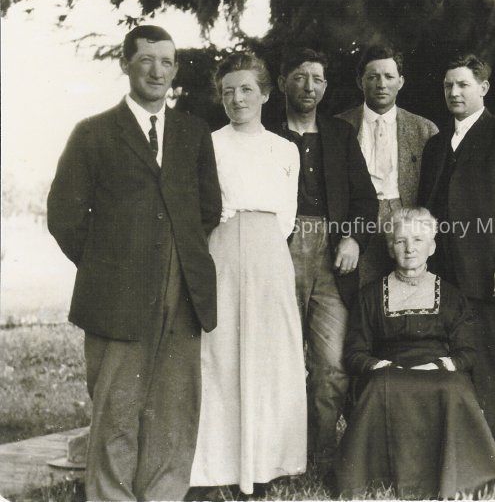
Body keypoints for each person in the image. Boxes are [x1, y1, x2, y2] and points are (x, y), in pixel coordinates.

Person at [47, 25, 221, 500]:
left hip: (182, 290)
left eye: (166, 62)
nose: (157, 71)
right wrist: (106, 265)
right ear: (125, 64)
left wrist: (177, 255)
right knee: (117, 407)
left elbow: (208, 209)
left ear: (176, 69)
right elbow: (64, 216)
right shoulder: (93, 132)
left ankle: (163, 494)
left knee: (174, 408)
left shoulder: (193, 132)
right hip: (115, 293)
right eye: (146, 60)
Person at [189, 53, 306, 494]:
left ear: (265, 94)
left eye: (246, 89)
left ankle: (268, 464)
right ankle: (218, 468)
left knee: (271, 355)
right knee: (221, 354)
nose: (237, 99)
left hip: (270, 253)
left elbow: (287, 215)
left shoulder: (285, 149)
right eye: (228, 91)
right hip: (222, 249)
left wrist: (262, 243)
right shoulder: (209, 145)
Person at [336, 207, 495, 499]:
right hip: (389, 372)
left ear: (432, 247)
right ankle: (373, 475)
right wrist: (381, 366)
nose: (409, 248)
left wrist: (439, 365)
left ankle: (455, 475)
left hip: (438, 372)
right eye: (400, 241)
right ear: (391, 249)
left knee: (454, 387)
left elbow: (468, 352)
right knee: (378, 386)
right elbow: (354, 353)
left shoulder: (451, 295)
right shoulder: (370, 296)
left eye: (417, 240)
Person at [418, 54, 495, 457]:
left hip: (488, 269)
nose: (454, 92)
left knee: (494, 358)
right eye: (448, 85)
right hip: (444, 271)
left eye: (463, 84)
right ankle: (458, 445)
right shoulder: (435, 145)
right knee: (451, 356)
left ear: (483, 88)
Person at [277, 48, 378, 469]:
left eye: (317, 79)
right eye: (300, 77)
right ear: (282, 83)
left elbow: (365, 200)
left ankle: (320, 454)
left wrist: (352, 239)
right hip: (279, 250)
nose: (309, 87)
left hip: (331, 256)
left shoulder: (339, 135)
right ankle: (279, 454)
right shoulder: (266, 133)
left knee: (333, 363)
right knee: (278, 357)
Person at [336, 44, 439, 287]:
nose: (381, 84)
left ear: (400, 82)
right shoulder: (339, 127)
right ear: (360, 82)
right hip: (357, 220)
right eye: (373, 77)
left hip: (406, 219)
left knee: (406, 289)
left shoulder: (424, 130)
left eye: (389, 77)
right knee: (360, 290)